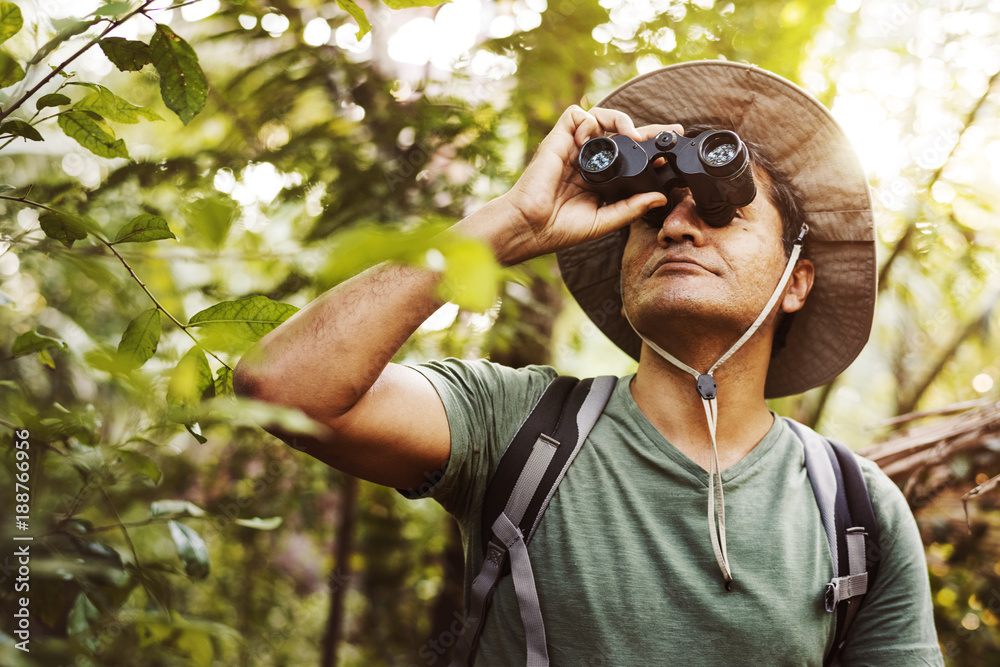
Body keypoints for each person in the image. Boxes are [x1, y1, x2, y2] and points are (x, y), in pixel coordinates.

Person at [234, 61, 943, 665]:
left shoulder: (856, 508)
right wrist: (510, 223)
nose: (675, 223)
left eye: (723, 212)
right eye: (651, 212)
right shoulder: (520, 427)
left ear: (796, 282)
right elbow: (282, 386)